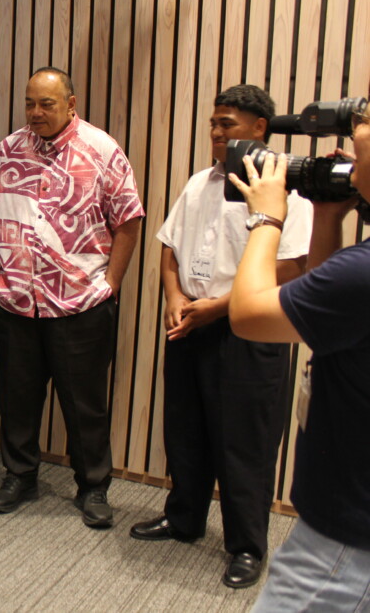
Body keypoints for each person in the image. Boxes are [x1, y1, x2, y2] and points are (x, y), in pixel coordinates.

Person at [129, 85, 312, 588]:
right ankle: (184, 517)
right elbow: (169, 247)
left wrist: (216, 308)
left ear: (259, 128)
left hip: (247, 332)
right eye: (213, 123)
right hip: (189, 323)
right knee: (185, 431)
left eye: (226, 124)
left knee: (244, 444)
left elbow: (292, 267)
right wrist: (173, 296)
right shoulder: (199, 183)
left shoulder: (284, 189)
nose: (215, 132)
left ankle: (247, 546)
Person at [0, 67, 144, 527]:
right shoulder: (9, 149)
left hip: (79, 304)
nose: (35, 112)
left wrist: (111, 283)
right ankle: (19, 475)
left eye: (46, 104)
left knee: (85, 403)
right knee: (17, 397)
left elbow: (129, 220)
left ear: (70, 104)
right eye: (29, 103)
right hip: (14, 301)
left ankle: (93, 486)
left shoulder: (102, 150)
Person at [227, 105, 370, 610]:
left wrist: (267, 217)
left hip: (345, 544)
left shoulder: (363, 274)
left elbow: (249, 316)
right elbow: (325, 326)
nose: (356, 132)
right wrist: (328, 218)